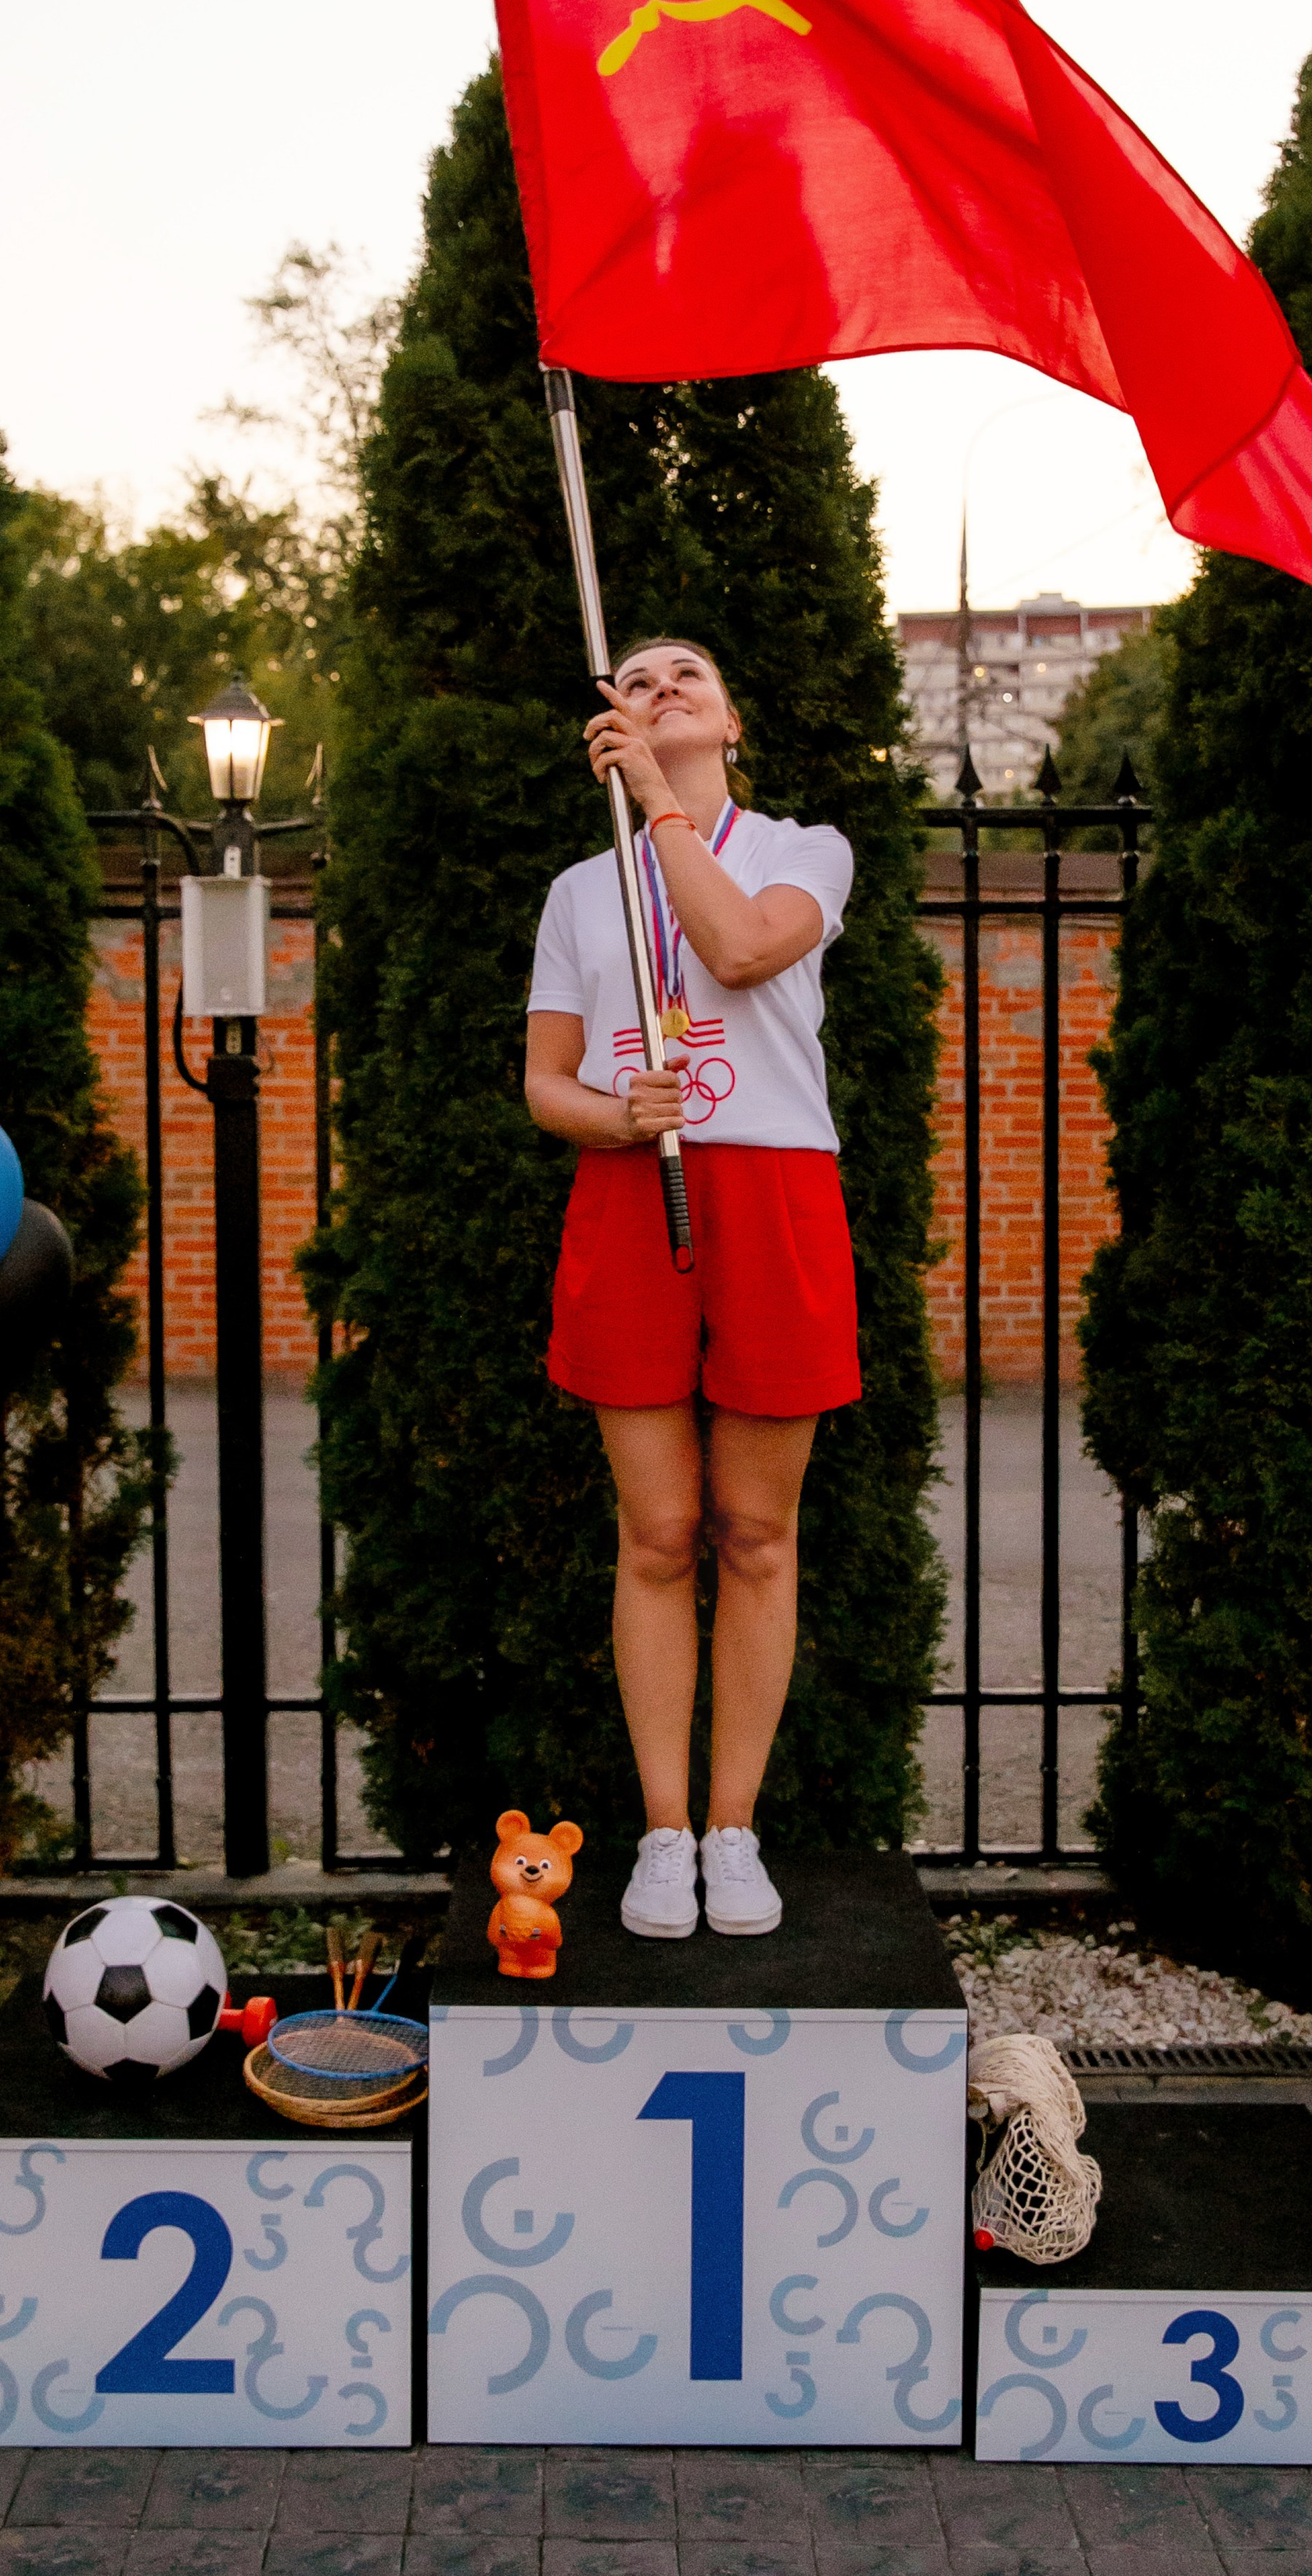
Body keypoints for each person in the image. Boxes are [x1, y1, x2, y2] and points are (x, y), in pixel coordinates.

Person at [524, 638, 860, 1941]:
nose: (661, 689)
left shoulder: (802, 850)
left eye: (690, 678)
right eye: (638, 678)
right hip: (632, 1192)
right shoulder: (576, 892)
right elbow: (546, 1077)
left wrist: (662, 805)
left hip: (774, 1192)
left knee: (757, 1535)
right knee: (660, 1533)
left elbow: (731, 948)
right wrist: (609, 1114)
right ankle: (664, 1835)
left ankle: (735, 1830)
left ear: (731, 721)